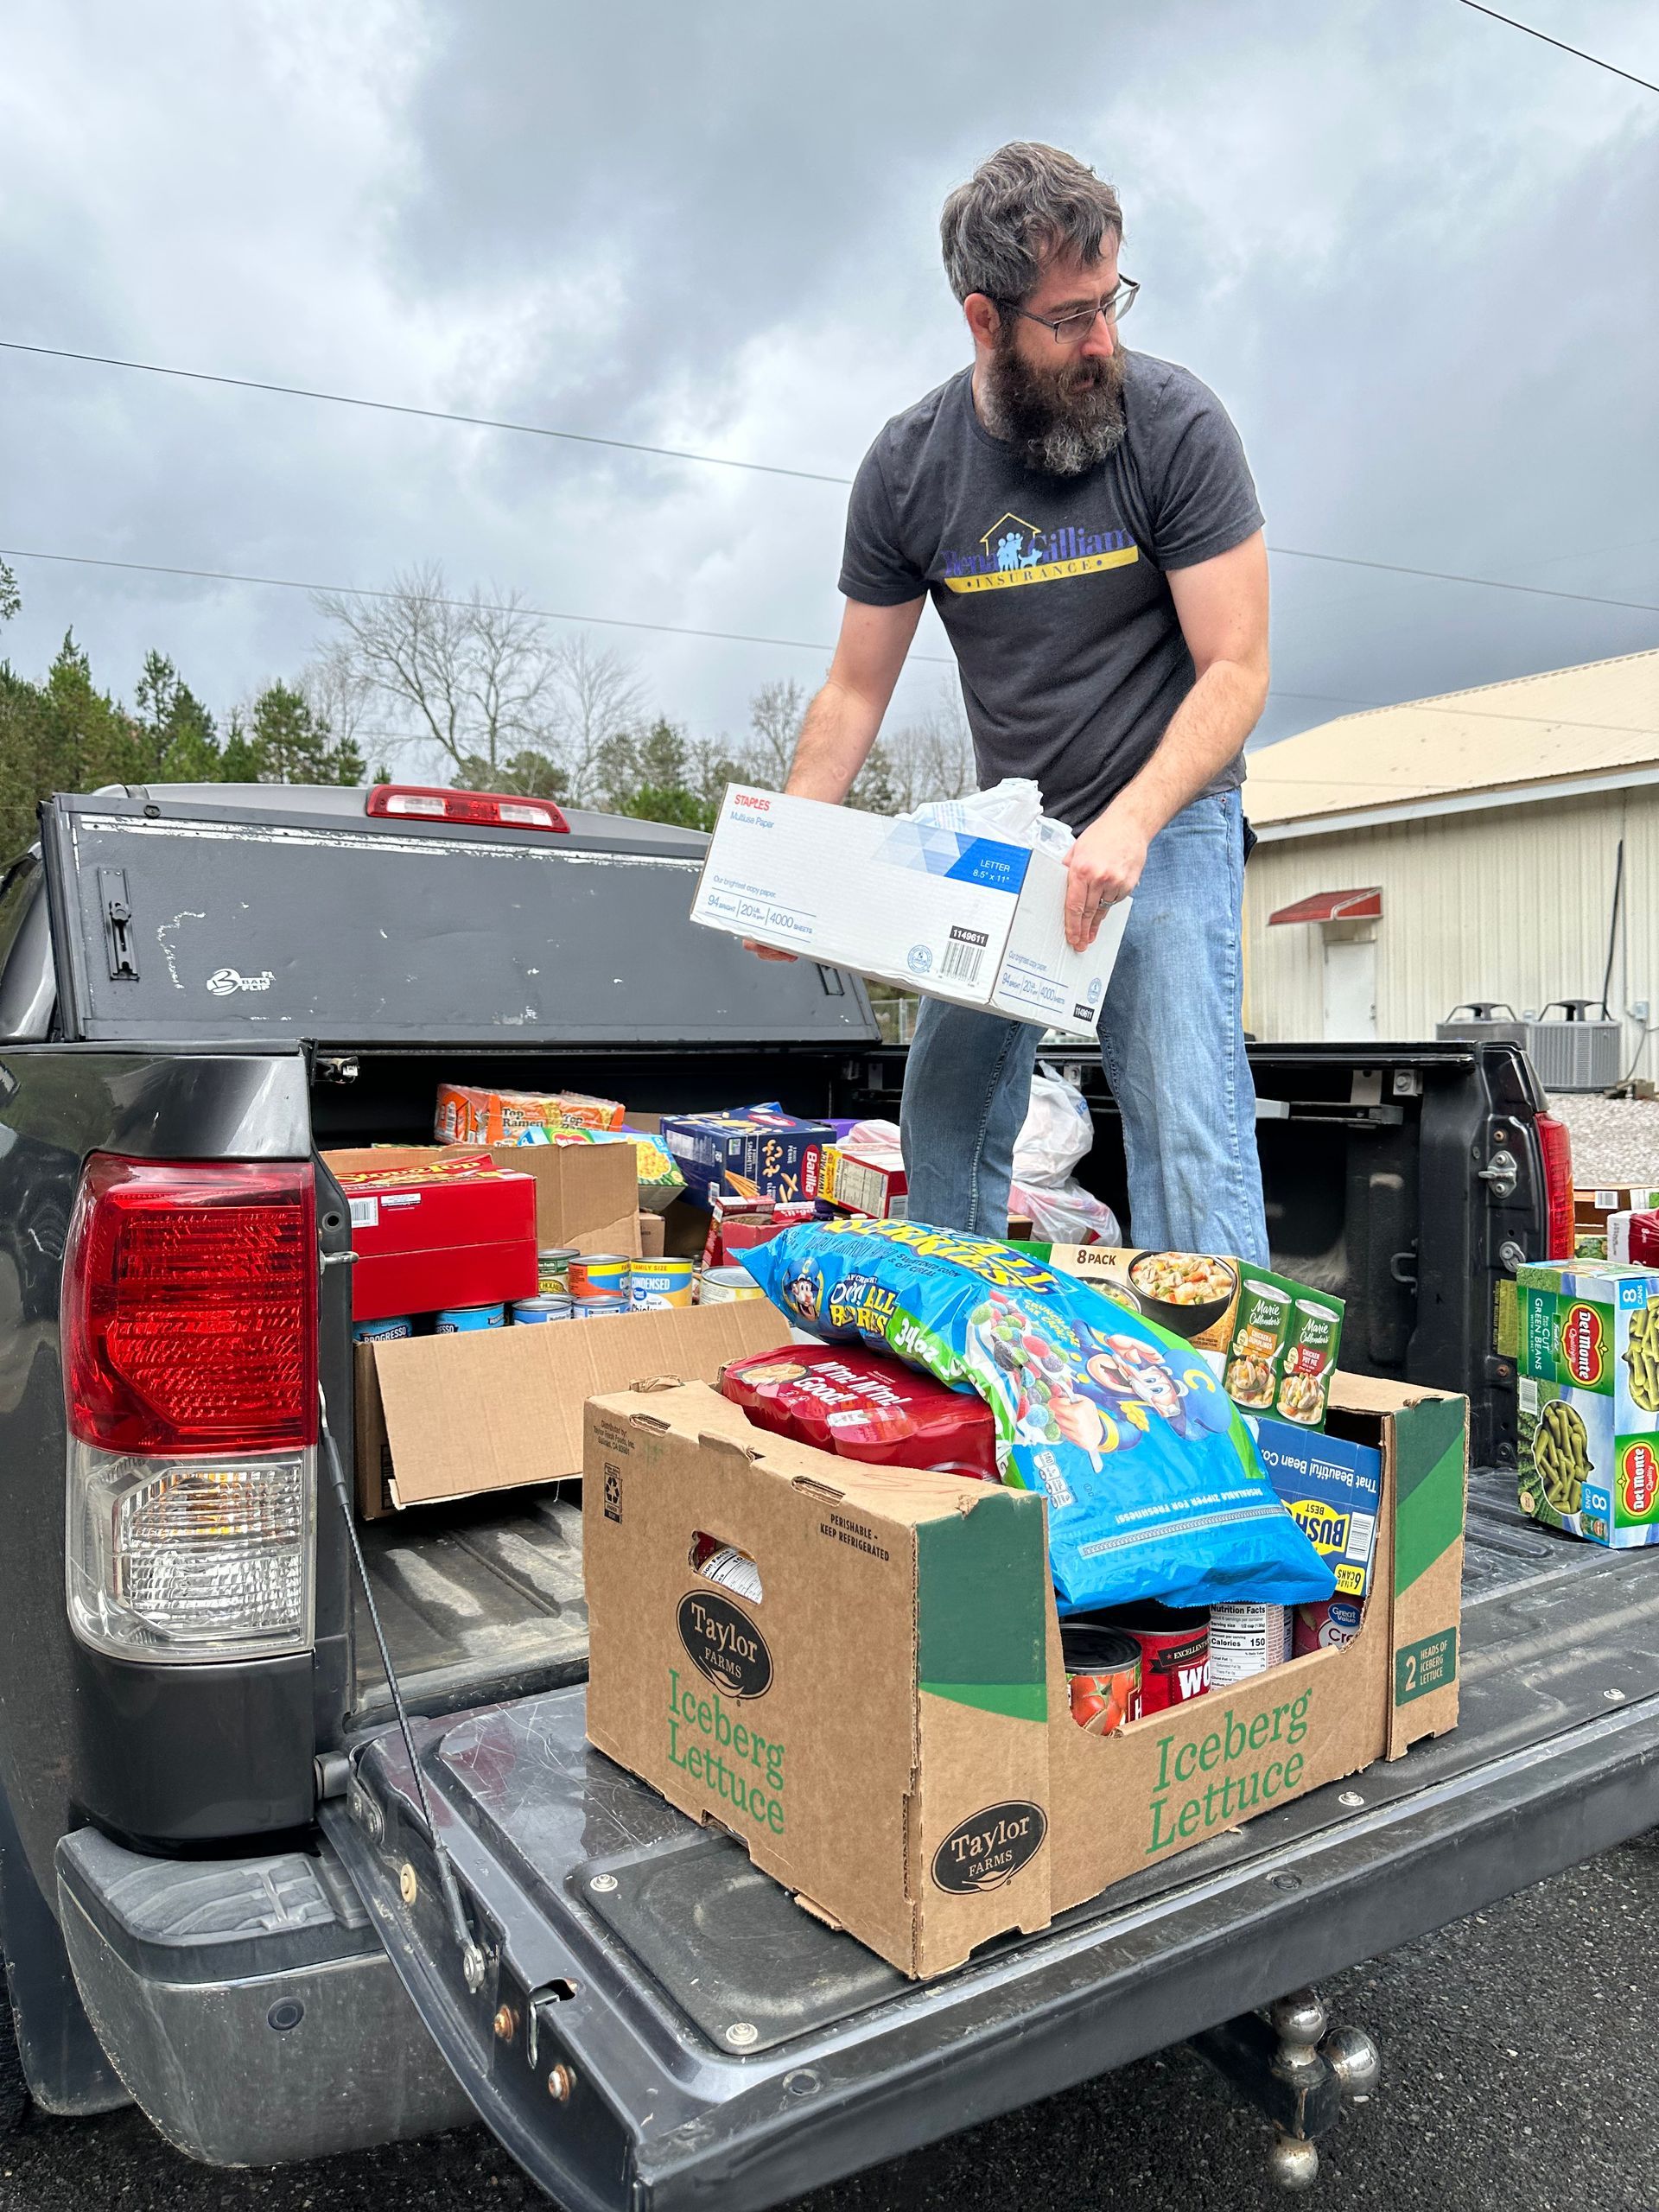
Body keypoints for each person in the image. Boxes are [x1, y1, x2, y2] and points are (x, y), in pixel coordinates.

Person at [756, 140, 1270, 1262]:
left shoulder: (1175, 426)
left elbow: (1236, 668)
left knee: (1185, 1114)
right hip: (1020, 831)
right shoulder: (910, 468)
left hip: (1167, 816)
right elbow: (853, 688)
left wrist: (1131, 824)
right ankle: (969, 1346)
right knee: (944, 1104)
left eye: (1111, 301)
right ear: (985, 321)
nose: (1104, 340)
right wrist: (787, 862)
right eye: (1070, 317)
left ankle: (1231, 1414)